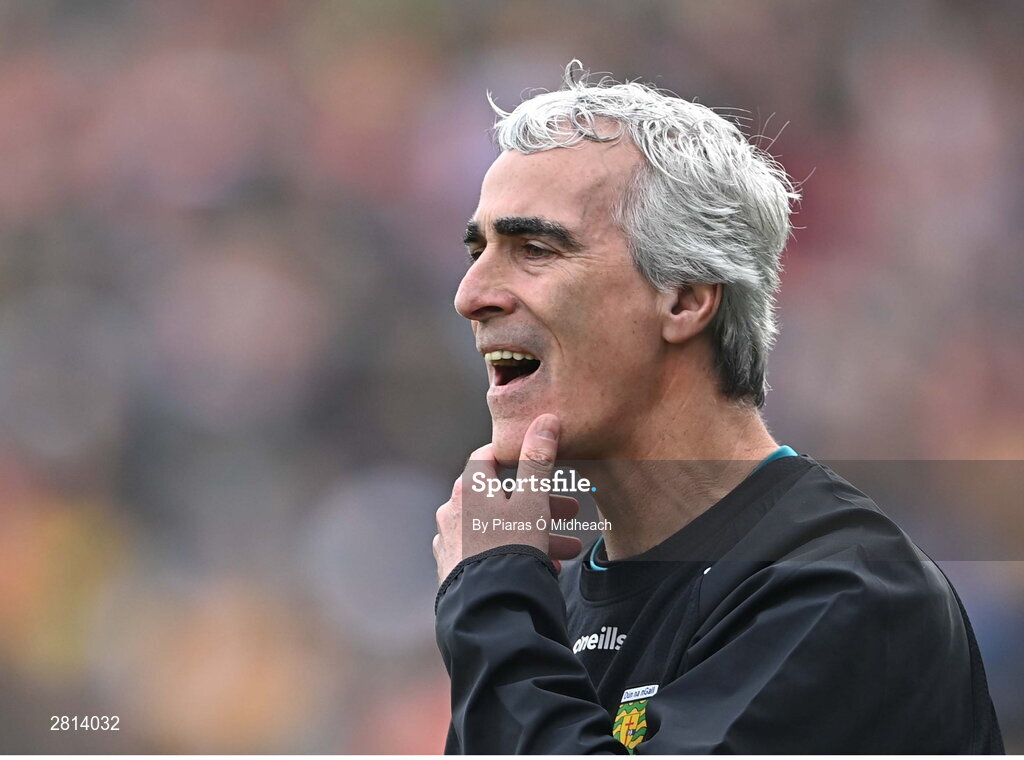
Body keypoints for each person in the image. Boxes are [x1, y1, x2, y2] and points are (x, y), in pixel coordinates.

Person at [431, 62, 1004, 754]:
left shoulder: (843, 592)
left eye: (534, 249)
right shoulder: (549, 603)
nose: (471, 295)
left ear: (686, 297)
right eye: (478, 250)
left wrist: (490, 602)